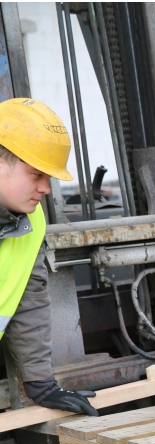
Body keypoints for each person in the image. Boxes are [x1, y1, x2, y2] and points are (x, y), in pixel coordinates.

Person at [0, 98, 96, 417]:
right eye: (36, 175)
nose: (45, 189)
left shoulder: (32, 220)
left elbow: (29, 300)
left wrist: (41, 382)